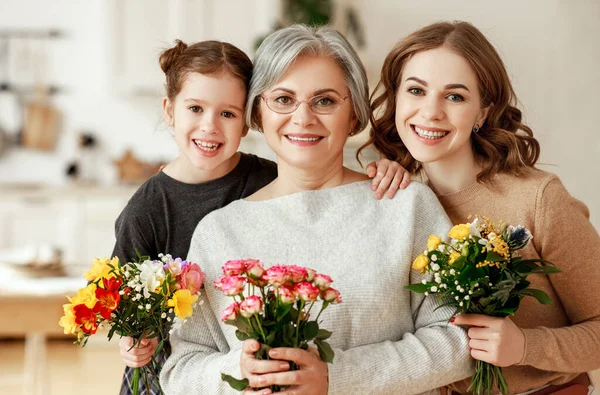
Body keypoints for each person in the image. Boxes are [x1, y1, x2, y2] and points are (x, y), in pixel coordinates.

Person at [161, 24, 472, 395]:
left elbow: (460, 339)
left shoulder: (406, 206)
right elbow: (180, 370)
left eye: (324, 101)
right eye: (283, 99)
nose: (303, 117)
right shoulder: (219, 231)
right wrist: (238, 372)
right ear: (257, 113)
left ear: (354, 114)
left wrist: (336, 377)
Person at [112, 39, 407, 394]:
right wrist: (133, 338)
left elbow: (321, 181)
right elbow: (121, 300)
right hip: (161, 365)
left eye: (227, 113)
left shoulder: (271, 175)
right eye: (195, 108)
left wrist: (384, 171)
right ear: (169, 110)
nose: (210, 126)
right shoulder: (149, 210)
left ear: (246, 120)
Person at [363, 20, 600, 394]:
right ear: (397, 99)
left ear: (483, 112)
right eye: (416, 90)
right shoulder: (393, 201)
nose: (430, 112)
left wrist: (526, 346)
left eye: (454, 96)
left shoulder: (538, 199)